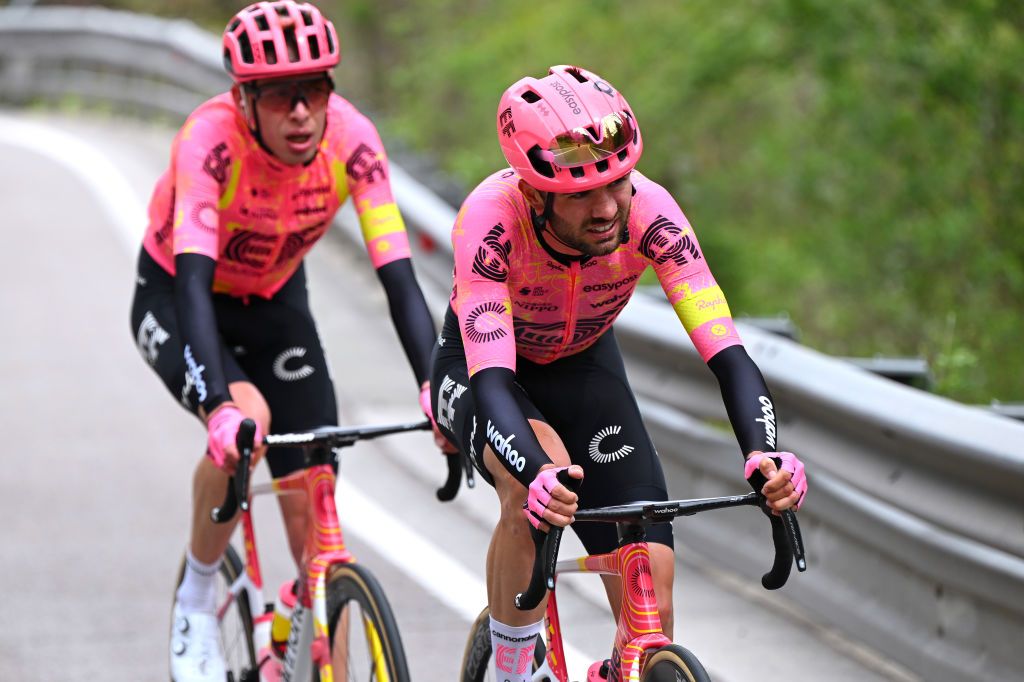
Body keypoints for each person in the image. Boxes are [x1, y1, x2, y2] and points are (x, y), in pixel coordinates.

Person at [429, 64, 809, 681]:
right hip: (485, 373)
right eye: (581, 194)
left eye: (617, 182)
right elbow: (493, 383)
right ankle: (512, 667)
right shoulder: (490, 221)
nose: (607, 208)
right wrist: (536, 472)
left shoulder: (652, 213)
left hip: (584, 365)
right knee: (531, 490)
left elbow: (729, 355)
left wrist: (765, 454)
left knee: (649, 582)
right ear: (533, 193)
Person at [129, 2, 446, 680]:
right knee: (251, 421)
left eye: (317, 90)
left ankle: (302, 644)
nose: (301, 111)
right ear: (244, 99)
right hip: (184, 297)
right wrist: (217, 404)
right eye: (279, 95)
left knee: (315, 500)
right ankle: (195, 596)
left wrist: (435, 384)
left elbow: (398, 278)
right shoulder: (208, 141)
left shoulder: (353, 141)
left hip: (275, 301)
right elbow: (191, 284)